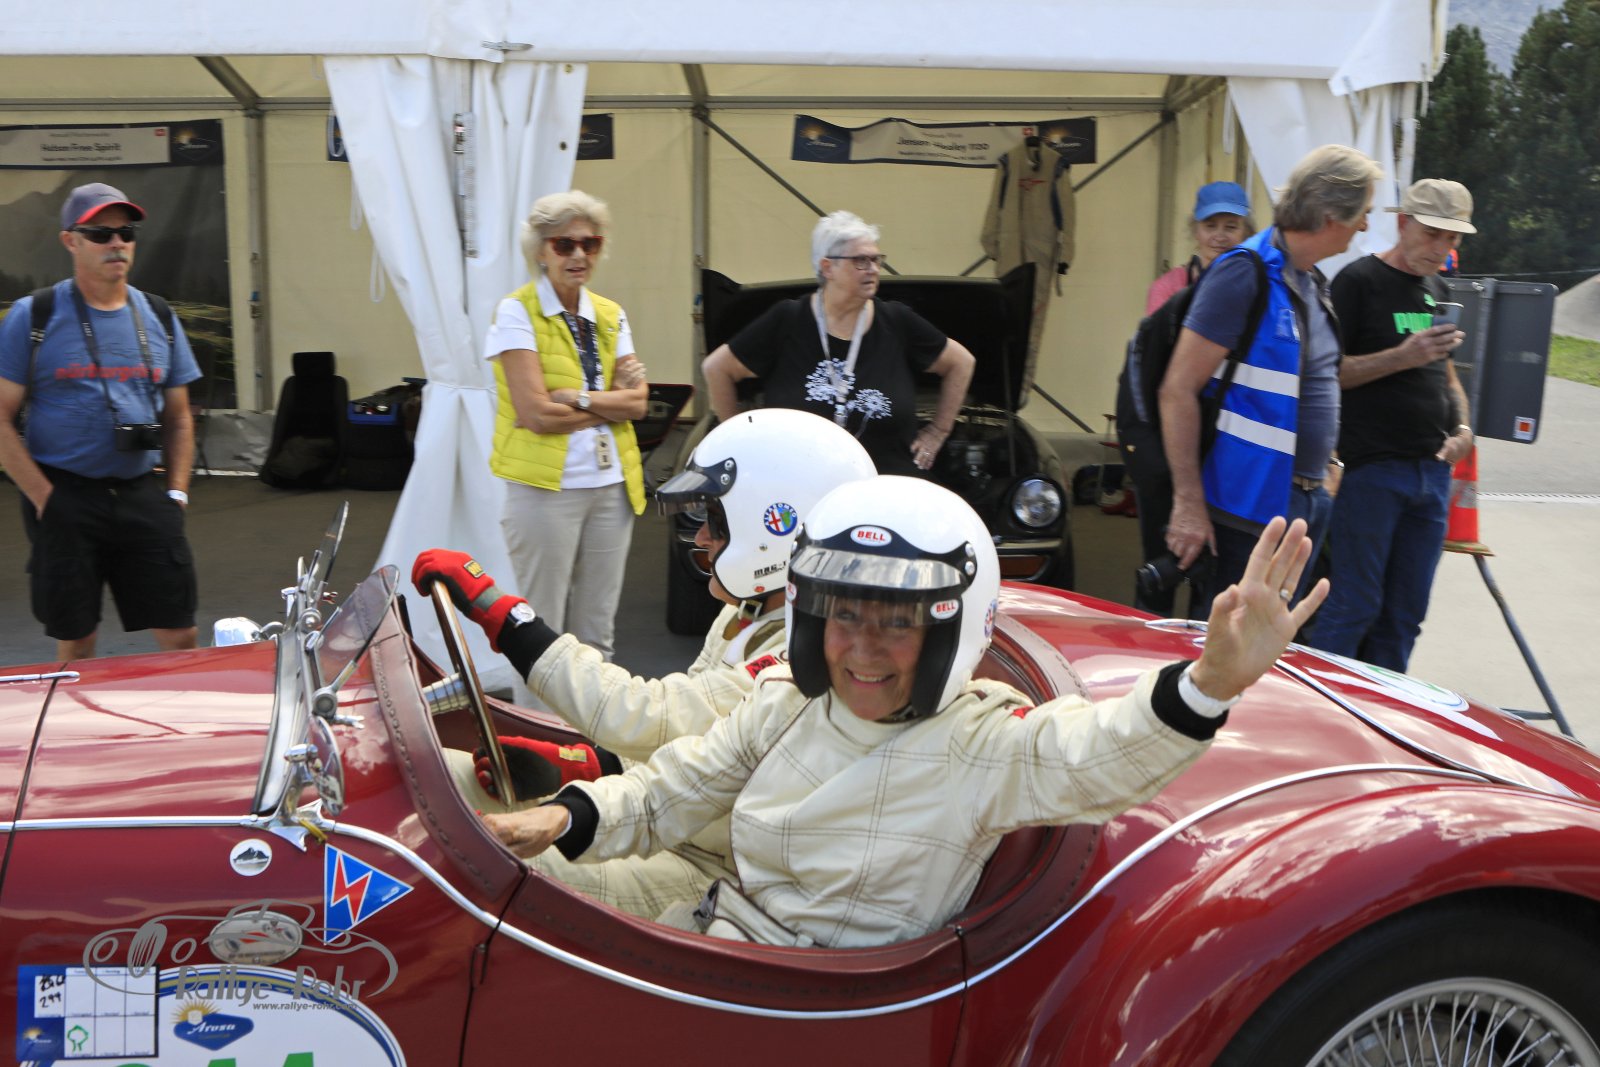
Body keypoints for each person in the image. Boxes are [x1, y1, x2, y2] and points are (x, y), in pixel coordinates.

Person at [477, 476, 1327, 950]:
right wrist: (559, 817)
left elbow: (1101, 753)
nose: (863, 648)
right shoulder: (788, 699)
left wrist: (1209, 683)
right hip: (710, 943)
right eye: (844, 615)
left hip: (800, 1009)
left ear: (953, 629)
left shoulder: (979, 743)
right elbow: (674, 788)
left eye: (899, 621)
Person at [415, 409, 877, 919]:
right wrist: (587, 765)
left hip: (724, 874)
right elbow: (690, 740)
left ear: (776, 525)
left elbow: (652, 714)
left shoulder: (803, 655)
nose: (702, 538)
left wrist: (508, 620)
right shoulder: (744, 617)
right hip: (678, 826)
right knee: (433, 779)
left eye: (717, 522)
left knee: (466, 857)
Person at [1159, 145, 1383, 612]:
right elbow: (1177, 389)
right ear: (1330, 216)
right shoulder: (1245, 273)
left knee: (1269, 642)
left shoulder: (1311, 281)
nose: (1365, 225)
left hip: (1302, 500)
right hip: (1246, 505)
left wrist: (1328, 465)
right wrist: (1188, 502)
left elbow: (1315, 383)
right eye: (1363, 212)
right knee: (1229, 642)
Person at [0, 182, 202, 660]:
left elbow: (179, 418)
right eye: (100, 234)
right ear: (70, 241)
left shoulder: (157, 315)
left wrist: (176, 493)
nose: (116, 243)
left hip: (141, 493)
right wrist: (45, 498)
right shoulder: (35, 315)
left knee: (180, 634)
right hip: (65, 494)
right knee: (77, 640)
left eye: (126, 233)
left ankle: (177, 712)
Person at [1306, 179, 1476, 671]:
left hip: (1432, 472)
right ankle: (1321, 704)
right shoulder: (1358, 281)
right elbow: (1326, 373)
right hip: (1371, 470)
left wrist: (1464, 431)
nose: (1440, 248)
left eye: (1452, 238)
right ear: (1403, 223)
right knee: (1354, 605)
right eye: (1431, 233)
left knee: (1405, 616)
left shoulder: (1437, 289)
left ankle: (1382, 711)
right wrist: (1402, 356)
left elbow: (1446, 374)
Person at [487, 190, 648, 661]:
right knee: (541, 632)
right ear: (540, 251)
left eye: (590, 244)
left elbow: (639, 404)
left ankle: (591, 714)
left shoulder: (611, 314)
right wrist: (609, 404)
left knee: (598, 634)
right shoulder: (516, 311)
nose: (579, 255)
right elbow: (536, 415)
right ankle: (540, 714)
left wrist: (576, 399)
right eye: (564, 244)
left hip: (612, 487)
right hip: (545, 491)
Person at [700, 210, 975, 477]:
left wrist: (939, 430)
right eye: (861, 261)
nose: (873, 269)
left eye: (876, 259)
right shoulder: (788, 319)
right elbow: (716, 368)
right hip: (801, 487)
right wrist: (742, 444)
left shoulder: (896, 321)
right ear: (827, 267)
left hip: (886, 486)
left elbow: (962, 362)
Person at [1122, 180, 1255, 616]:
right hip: (1170, 437)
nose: (1220, 235)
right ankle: (1150, 639)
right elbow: (1161, 371)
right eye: (1211, 225)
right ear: (1195, 230)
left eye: (1231, 226)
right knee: (1162, 558)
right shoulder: (1169, 288)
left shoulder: (1257, 288)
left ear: (1247, 230)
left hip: (1224, 442)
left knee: (1214, 568)